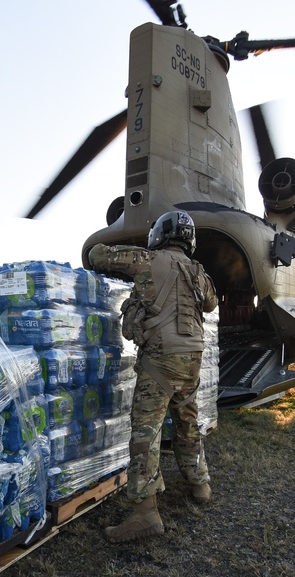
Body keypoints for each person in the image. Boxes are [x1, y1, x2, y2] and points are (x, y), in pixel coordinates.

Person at [88, 210, 217, 544]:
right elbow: (212, 304)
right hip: (192, 360)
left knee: (146, 432)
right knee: (187, 421)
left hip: (160, 361)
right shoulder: (199, 272)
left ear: (159, 235)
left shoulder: (145, 259)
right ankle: (199, 483)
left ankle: (145, 514)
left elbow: (96, 255)